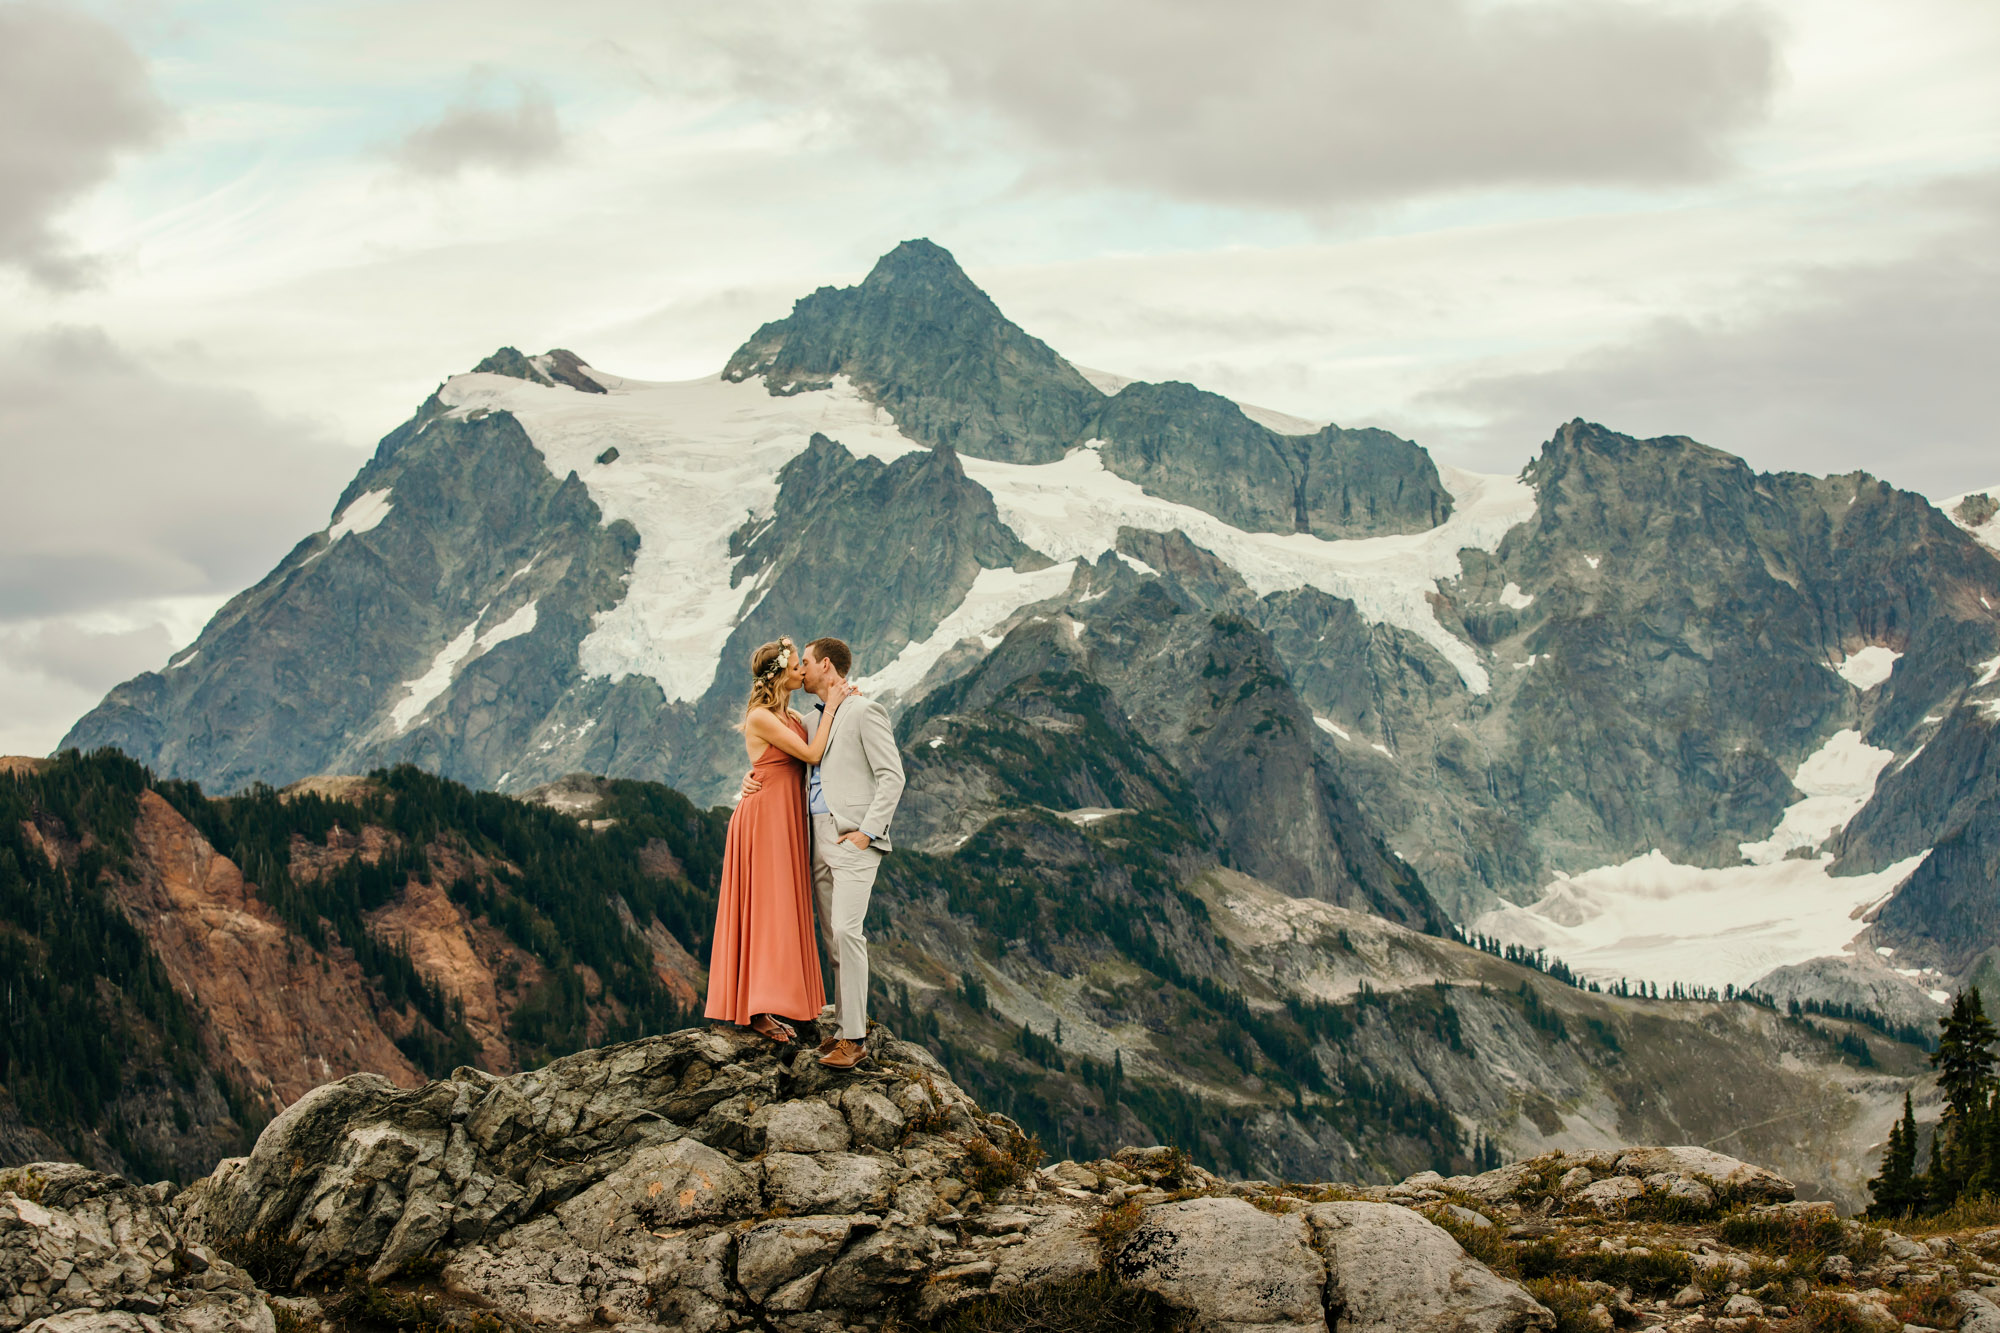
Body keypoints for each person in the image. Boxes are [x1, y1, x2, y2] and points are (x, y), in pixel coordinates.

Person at [742, 636, 906, 1069]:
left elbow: (893, 777)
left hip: (853, 839)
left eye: (807, 663)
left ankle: (854, 1039)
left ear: (827, 667)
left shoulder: (864, 710)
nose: (802, 671)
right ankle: (840, 1029)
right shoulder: (811, 720)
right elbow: (781, 756)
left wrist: (867, 832)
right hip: (814, 839)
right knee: (834, 941)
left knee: (849, 933)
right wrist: (751, 776)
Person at [704, 637, 852, 1044]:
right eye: (796, 667)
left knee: (782, 906)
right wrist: (834, 706)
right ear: (780, 675)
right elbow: (812, 754)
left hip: (786, 817)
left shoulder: (792, 717)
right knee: (763, 908)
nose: (802, 672)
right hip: (764, 818)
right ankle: (755, 1008)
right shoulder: (761, 717)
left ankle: (783, 1001)